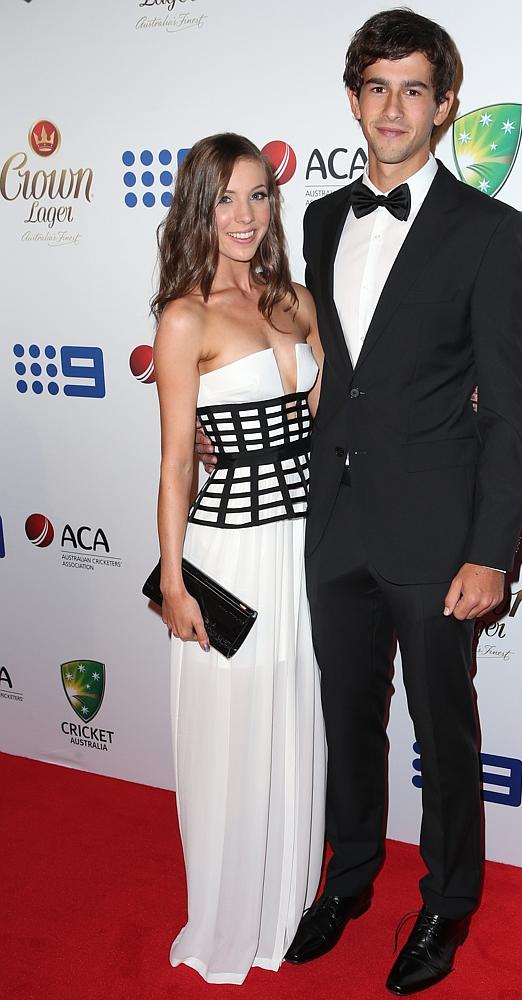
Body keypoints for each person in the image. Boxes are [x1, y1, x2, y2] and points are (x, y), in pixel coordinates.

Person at [284, 9, 522, 995]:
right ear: (353, 98)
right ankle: (346, 878)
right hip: (334, 518)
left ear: (443, 107)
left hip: (438, 533)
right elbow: (337, 367)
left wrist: (490, 550)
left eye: (413, 90)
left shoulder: (488, 232)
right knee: (345, 717)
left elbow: (510, 412)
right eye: (375, 88)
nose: (392, 108)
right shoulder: (315, 218)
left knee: (443, 728)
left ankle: (445, 902)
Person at [152, 132, 326, 985]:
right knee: (232, 734)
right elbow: (179, 461)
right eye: (225, 198)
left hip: (306, 550)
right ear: (197, 207)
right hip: (230, 551)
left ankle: (285, 909)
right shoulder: (184, 316)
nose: (245, 215)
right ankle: (227, 918)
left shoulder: (295, 300)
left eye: (258, 195)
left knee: (294, 722)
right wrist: (174, 580)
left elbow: (332, 421)